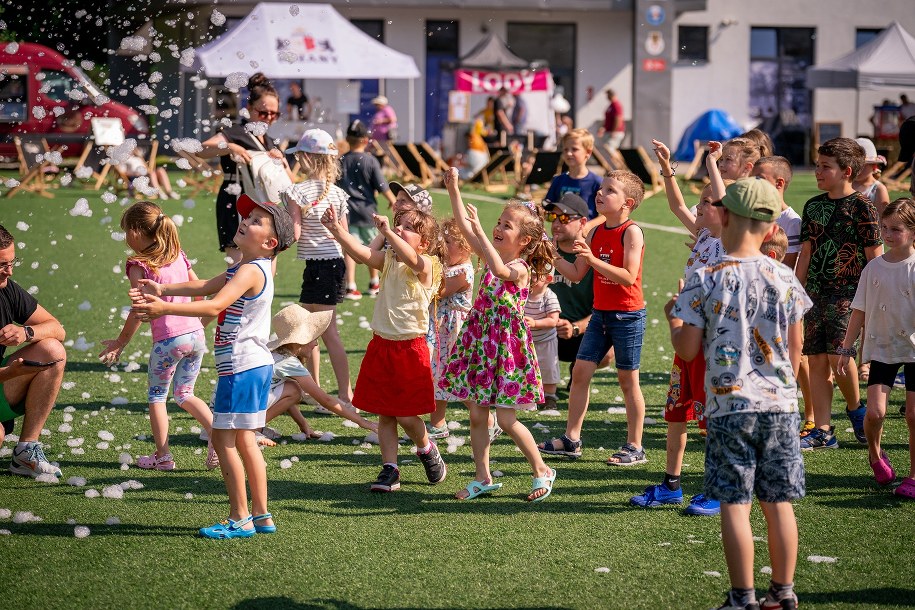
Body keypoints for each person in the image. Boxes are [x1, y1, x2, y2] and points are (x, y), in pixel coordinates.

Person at [667, 177, 811, 610]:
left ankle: (742, 596)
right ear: (771, 229)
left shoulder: (704, 277)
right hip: (782, 404)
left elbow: (687, 348)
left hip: (730, 406)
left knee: (735, 502)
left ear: (724, 215)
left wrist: (675, 318)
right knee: (778, 501)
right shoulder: (784, 276)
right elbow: (796, 346)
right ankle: (783, 594)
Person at [131, 194, 295, 539]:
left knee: (225, 443)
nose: (245, 221)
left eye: (255, 220)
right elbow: (205, 285)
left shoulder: (251, 269)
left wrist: (164, 308)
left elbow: (212, 305)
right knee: (246, 441)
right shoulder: (249, 265)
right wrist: (164, 287)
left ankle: (240, 518)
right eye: (247, 216)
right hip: (253, 367)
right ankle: (262, 515)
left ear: (269, 242)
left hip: (241, 368)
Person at [440, 167, 557, 502]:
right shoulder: (490, 254)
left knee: (506, 419)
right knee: (477, 413)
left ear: (525, 241)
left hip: (506, 350)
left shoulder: (520, 267)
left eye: (507, 224)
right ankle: (483, 477)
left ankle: (542, 469)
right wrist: (454, 189)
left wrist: (479, 229)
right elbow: (464, 226)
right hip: (480, 344)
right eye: (499, 221)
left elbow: (500, 270)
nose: (498, 227)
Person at [320, 202, 447, 493]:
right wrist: (338, 230)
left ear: (424, 243)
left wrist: (389, 231)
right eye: (398, 223)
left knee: (405, 414)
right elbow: (363, 254)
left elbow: (414, 260)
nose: (399, 229)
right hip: (382, 345)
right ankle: (390, 469)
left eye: (408, 228)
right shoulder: (389, 259)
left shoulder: (428, 265)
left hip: (411, 350)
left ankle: (426, 447)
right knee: (385, 413)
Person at [627, 140, 723, 515]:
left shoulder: (727, 241)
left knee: (712, 419)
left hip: (713, 341)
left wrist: (712, 162)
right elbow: (677, 204)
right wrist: (667, 168)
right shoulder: (702, 236)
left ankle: (717, 489)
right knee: (677, 412)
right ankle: (671, 485)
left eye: (706, 204)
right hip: (687, 335)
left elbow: (722, 197)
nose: (697, 208)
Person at [538, 171, 648, 467]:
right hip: (601, 314)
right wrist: (552, 256)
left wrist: (593, 259)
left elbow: (627, 277)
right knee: (581, 372)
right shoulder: (595, 233)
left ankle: (635, 445)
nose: (600, 193)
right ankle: (572, 439)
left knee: (628, 381)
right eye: (601, 188)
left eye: (609, 190)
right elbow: (575, 275)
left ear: (626, 203)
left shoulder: (631, 232)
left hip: (627, 316)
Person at [98, 202, 217, 471]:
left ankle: (163, 456)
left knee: (157, 397)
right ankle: (216, 436)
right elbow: (200, 293)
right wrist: (196, 324)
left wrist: (121, 342)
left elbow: (140, 309)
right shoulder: (178, 255)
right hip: (196, 336)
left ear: (138, 231)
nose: (125, 237)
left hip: (168, 342)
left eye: (127, 230)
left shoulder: (139, 264)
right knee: (185, 394)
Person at [796, 138, 883, 451]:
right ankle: (823, 430)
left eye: (825, 167)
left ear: (847, 171)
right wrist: (796, 292)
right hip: (815, 295)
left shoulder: (864, 207)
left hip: (850, 295)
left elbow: (876, 257)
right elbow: (805, 254)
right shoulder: (813, 206)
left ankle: (855, 407)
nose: (818, 171)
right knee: (817, 359)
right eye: (817, 165)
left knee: (839, 359)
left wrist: (876, 298)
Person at [836, 198, 915, 497]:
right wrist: (846, 349)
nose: (889, 235)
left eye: (896, 229)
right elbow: (859, 310)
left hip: (913, 351)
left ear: (913, 231)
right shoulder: (873, 268)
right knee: (876, 413)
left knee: (913, 415)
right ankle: (875, 453)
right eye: (885, 228)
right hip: (882, 347)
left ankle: (913, 476)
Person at [282, 129, 354, 403]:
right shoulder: (337, 193)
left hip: (320, 266)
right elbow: (345, 237)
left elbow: (295, 233)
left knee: (326, 332)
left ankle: (345, 393)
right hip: (331, 265)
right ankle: (317, 390)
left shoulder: (297, 191)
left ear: (306, 157)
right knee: (310, 329)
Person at [0, 224, 67, 478]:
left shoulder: (8, 289)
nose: (10, 270)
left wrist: (26, 333)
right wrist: (11, 373)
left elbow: (57, 329)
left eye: (12, 261)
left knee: (52, 350)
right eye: (2, 265)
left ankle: (26, 450)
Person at [198, 73, 289, 259]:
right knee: (237, 263)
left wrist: (281, 162)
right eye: (263, 113)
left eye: (274, 114)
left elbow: (289, 183)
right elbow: (201, 150)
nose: (269, 118)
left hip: (264, 203)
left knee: (267, 260)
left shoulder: (271, 142)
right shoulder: (236, 132)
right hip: (236, 199)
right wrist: (229, 147)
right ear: (249, 109)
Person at [264, 305, 377, 438]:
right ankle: (253, 429)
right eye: (313, 338)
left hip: (239, 405)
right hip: (243, 412)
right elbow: (325, 400)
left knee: (291, 388)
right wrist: (362, 422)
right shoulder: (289, 363)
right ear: (300, 341)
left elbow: (285, 398)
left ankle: (252, 427)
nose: (316, 345)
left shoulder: (276, 355)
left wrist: (304, 426)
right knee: (294, 389)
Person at [542, 194, 608, 387]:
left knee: (608, 350)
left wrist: (575, 327)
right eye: (552, 217)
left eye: (564, 218)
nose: (556, 224)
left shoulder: (593, 259)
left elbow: (603, 308)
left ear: (583, 222)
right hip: (543, 329)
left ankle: (578, 369)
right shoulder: (542, 252)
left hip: (579, 332)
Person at [427, 218, 474, 440]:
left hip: (453, 330)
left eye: (447, 241)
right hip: (441, 328)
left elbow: (439, 292)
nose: (441, 246)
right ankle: (437, 423)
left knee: (456, 377)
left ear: (465, 247)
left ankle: (489, 421)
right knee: (439, 375)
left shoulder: (462, 271)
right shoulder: (450, 267)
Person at [337, 119, 395, 298]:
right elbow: (382, 185)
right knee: (373, 248)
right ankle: (374, 283)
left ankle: (350, 285)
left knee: (351, 248)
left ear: (347, 138)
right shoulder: (370, 161)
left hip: (347, 212)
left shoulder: (341, 160)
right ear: (365, 140)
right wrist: (394, 201)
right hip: (369, 212)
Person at [544, 129, 604, 226]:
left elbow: (606, 215)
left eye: (574, 149)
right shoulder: (558, 180)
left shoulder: (597, 182)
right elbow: (547, 208)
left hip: (585, 237)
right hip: (561, 235)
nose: (569, 153)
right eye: (566, 149)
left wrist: (588, 226)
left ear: (588, 152)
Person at [751, 156, 801, 270]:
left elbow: (788, 267)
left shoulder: (791, 220)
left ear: (779, 183)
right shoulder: (752, 213)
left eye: (759, 179)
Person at [524, 270, 561, 411]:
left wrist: (535, 323)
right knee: (527, 368)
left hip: (546, 341)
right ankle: (528, 395)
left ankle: (550, 396)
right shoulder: (523, 293)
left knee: (548, 368)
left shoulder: (549, 296)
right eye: (530, 274)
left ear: (548, 278)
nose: (531, 278)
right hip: (526, 341)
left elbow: (553, 320)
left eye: (535, 275)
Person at [853, 137, 890, 218]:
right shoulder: (847, 184)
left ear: (874, 165)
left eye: (863, 166)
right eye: (854, 166)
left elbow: (882, 219)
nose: (858, 170)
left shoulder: (878, 189)